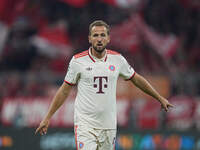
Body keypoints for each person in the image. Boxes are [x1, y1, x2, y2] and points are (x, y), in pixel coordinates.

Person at [35, 20, 174, 150]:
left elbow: (136, 79)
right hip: (85, 125)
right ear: (89, 38)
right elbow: (64, 90)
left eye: (103, 35)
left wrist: (159, 97)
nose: (99, 38)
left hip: (108, 126)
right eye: (95, 35)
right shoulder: (78, 61)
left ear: (108, 39)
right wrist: (47, 117)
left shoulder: (117, 60)